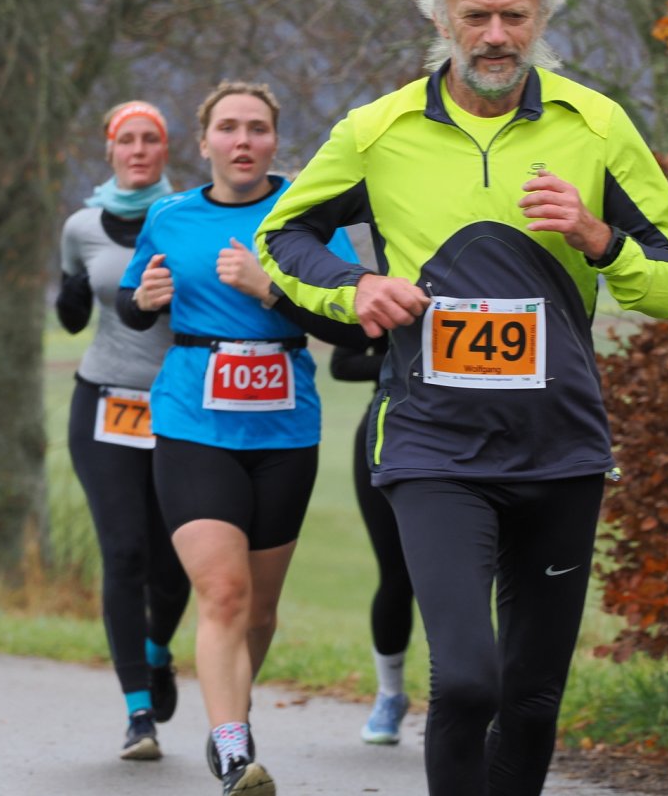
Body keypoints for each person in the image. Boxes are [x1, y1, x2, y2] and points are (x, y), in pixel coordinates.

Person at [255, 0, 668, 795]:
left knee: (531, 698)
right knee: (466, 680)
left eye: (515, 16)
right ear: (440, 16)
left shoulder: (596, 126)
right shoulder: (377, 131)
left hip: (559, 447)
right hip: (433, 446)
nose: (496, 36)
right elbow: (281, 237)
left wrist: (600, 238)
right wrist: (355, 288)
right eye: (476, 15)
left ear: (542, 18)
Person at [117, 81, 363, 796]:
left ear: (274, 141)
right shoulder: (169, 216)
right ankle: (232, 749)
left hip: (284, 427)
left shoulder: (308, 217)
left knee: (258, 607)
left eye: (257, 127)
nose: (243, 140)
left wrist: (269, 290)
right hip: (192, 420)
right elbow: (133, 302)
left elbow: (349, 322)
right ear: (205, 143)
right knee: (222, 592)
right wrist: (143, 301)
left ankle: (233, 711)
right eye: (228, 127)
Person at [58, 100, 191, 760]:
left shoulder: (189, 217)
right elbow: (72, 314)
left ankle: (157, 649)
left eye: (150, 140)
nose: (138, 150)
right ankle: (138, 713)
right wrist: (72, 292)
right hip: (104, 403)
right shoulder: (80, 227)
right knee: (125, 552)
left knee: (177, 559)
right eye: (126, 140)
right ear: (109, 151)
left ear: (165, 150)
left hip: (179, 406)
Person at [329, 335, 415, 744]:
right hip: (388, 434)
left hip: (472, 435)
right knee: (396, 574)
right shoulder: (393, 295)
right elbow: (342, 364)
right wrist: (413, 363)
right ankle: (390, 694)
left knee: (466, 578)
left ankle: (471, 698)